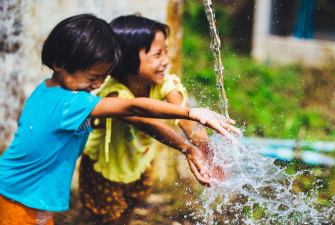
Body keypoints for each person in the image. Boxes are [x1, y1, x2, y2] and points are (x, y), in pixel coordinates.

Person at [0, 14, 238, 225]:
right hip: (18, 195)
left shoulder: (48, 91)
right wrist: (191, 112)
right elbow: (133, 107)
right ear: (59, 64)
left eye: (102, 78)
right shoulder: (70, 103)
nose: (97, 85)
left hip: (29, 193)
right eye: (93, 77)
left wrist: (191, 144)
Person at [78, 15, 229, 225]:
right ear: (129, 60)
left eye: (166, 51)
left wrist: (207, 150)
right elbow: (148, 124)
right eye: (157, 54)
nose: (166, 61)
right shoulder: (113, 93)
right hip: (104, 169)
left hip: (140, 162)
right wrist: (186, 148)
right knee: (107, 218)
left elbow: (186, 120)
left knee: (128, 209)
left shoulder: (165, 84)